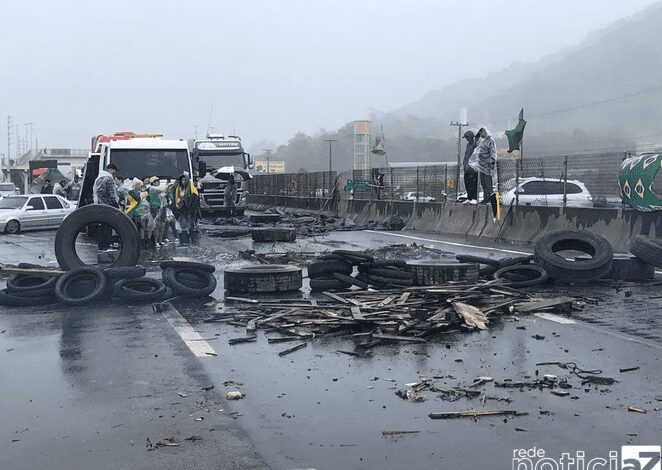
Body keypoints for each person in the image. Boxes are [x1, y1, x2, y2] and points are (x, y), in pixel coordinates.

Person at [93, 163, 119, 250]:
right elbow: (109, 193)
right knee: (107, 226)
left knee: (104, 225)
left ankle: (104, 245)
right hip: (107, 205)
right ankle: (105, 246)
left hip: (100, 204)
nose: (115, 173)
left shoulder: (100, 177)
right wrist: (112, 204)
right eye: (114, 171)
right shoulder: (107, 177)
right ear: (111, 169)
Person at [170, 173, 198, 246]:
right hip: (179, 210)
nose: (183, 182)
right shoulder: (177, 188)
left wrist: (191, 211)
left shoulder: (192, 189)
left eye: (185, 180)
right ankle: (183, 242)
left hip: (188, 210)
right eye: (182, 180)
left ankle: (187, 241)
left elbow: (195, 201)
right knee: (182, 227)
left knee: (188, 226)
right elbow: (173, 199)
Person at [471, 127, 497, 204]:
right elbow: (477, 148)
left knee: (488, 183)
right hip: (481, 164)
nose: (481, 134)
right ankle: (486, 197)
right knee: (483, 183)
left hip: (487, 164)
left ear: (485, 132)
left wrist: (492, 162)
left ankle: (490, 198)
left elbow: (493, 152)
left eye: (481, 133)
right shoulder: (482, 141)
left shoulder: (490, 141)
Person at [462, 130, 478, 203]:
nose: (467, 139)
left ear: (471, 137)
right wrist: (464, 163)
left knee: (473, 184)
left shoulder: (476, 145)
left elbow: (477, 156)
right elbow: (466, 155)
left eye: (467, 137)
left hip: (473, 169)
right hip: (466, 168)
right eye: (466, 138)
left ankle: (474, 198)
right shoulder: (468, 145)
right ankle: (469, 198)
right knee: (467, 183)